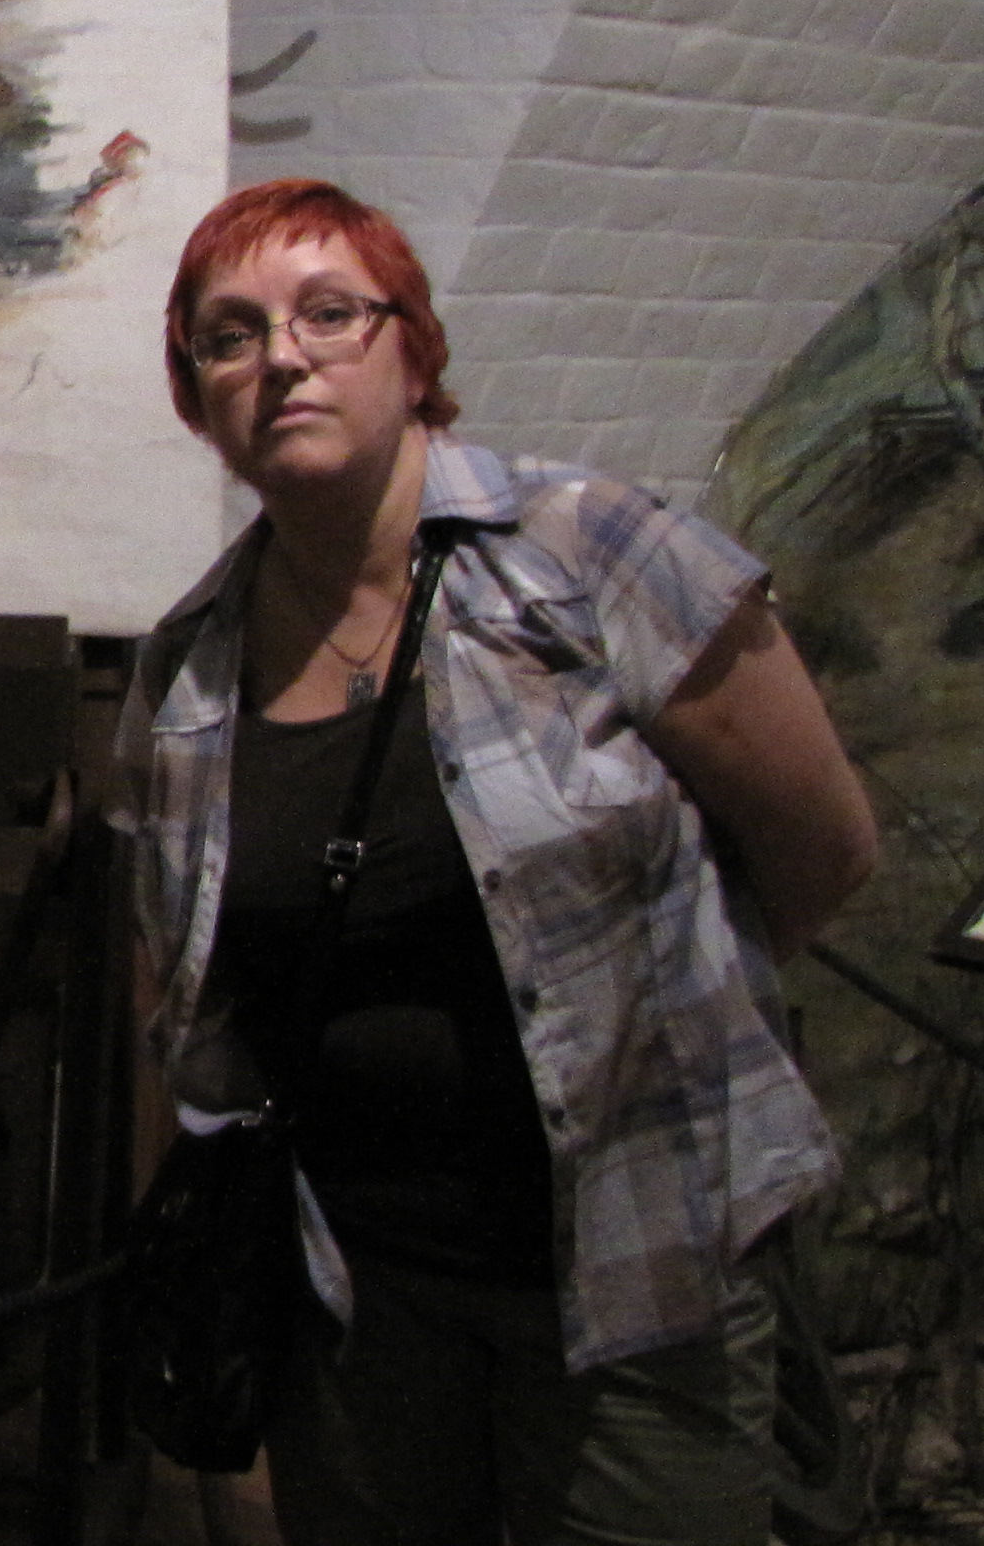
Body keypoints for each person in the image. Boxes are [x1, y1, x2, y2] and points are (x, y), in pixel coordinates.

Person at [117, 178, 877, 1546]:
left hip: (637, 1269)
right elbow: (197, 1000)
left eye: (329, 314)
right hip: (352, 1296)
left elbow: (818, 849)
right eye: (230, 335)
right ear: (198, 399)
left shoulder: (588, 554)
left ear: (413, 352)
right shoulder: (190, 670)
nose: (281, 357)